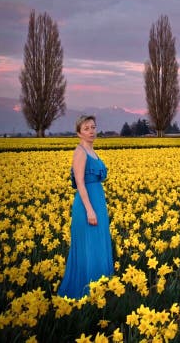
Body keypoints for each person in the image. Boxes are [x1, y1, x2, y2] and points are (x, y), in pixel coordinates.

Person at [57, 115, 114, 298]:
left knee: (99, 244)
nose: (91, 131)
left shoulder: (93, 151)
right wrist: (90, 210)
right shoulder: (80, 152)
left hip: (98, 202)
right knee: (88, 247)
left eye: (93, 127)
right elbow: (80, 183)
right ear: (78, 133)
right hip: (87, 205)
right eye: (86, 128)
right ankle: (85, 293)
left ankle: (101, 289)